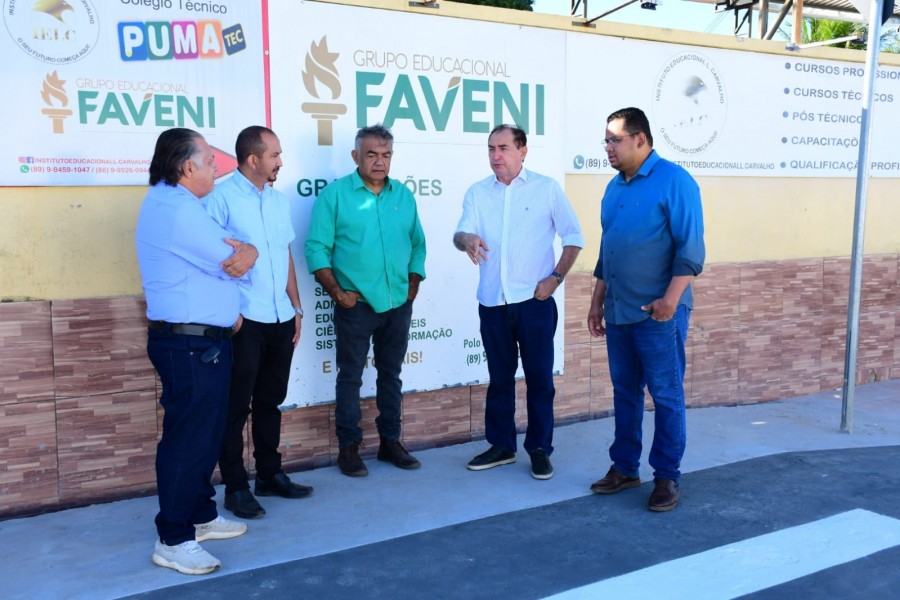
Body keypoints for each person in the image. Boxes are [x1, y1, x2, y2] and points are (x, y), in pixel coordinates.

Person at [136, 128, 259, 575]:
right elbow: (233, 261)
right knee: (188, 440)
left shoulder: (184, 205)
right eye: (209, 161)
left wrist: (247, 254)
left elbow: (234, 260)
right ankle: (173, 538)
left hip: (202, 342)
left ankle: (201, 515)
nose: (215, 168)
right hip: (189, 345)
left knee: (205, 434)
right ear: (187, 167)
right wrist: (248, 252)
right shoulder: (176, 209)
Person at [586, 107, 705, 512]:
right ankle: (625, 468)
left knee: (666, 395)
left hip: (659, 315)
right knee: (625, 393)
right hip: (619, 312)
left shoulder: (675, 181)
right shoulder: (613, 188)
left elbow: (691, 248)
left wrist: (670, 301)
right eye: (606, 140)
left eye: (615, 140)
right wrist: (597, 301)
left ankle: (667, 476)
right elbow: (608, 249)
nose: (608, 147)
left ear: (640, 139)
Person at [454, 124, 583, 481]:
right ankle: (501, 446)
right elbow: (460, 232)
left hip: (534, 303)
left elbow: (573, 236)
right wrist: (467, 240)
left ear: (522, 151)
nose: (496, 155)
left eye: (503, 148)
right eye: (491, 148)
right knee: (499, 380)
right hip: (493, 303)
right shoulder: (478, 192)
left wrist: (555, 278)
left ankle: (539, 449)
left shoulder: (546, 188)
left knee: (540, 380)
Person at [304, 124, 426, 477]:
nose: (379, 161)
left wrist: (413, 282)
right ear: (356, 156)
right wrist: (338, 293)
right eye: (371, 154)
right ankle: (349, 449)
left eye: (386, 155)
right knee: (351, 378)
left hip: (397, 304)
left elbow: (418, 244)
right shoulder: (335, 196)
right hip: (355, 306)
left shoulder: (403, 196)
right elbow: (316, 248)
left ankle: (390, 443)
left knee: (391, 375)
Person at [205, 126, 313, 520]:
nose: (280, 162)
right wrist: (230, 314)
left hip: (280, 317)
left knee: (270, 401)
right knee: (235, 407)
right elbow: (209, 261)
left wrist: (296, 307)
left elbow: (284, 256)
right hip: (244, 320)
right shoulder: (219, 199)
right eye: (275, 155)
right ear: (253, 159)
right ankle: (236, 487)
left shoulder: (278, 201)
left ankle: (269, 474)